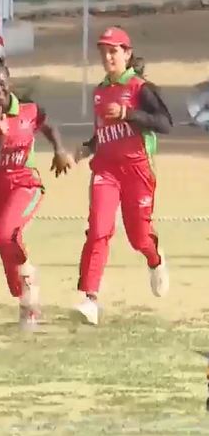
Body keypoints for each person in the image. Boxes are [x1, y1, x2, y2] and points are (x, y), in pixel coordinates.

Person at [72, 27, 173, 326]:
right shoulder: (100, 92)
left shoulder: (141, 89)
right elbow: (104, 132)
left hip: (137, 170)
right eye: (103, 52)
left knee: (138, 236)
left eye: (113, 51)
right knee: (99, 229)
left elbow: (165, 124)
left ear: (127, 54)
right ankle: (89, 299)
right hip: (106, 169)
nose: (107, 57)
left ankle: (155, 259)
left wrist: (129, 113)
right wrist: (88, 147)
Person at [0, 56, 74, 331]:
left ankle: (30, 291)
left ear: (9, 82)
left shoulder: (29, 109)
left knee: (7, 233)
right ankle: (24, 295)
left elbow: (49, 126)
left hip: (25, 183)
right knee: (4, 248)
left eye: (3, 83)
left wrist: (59, 150)